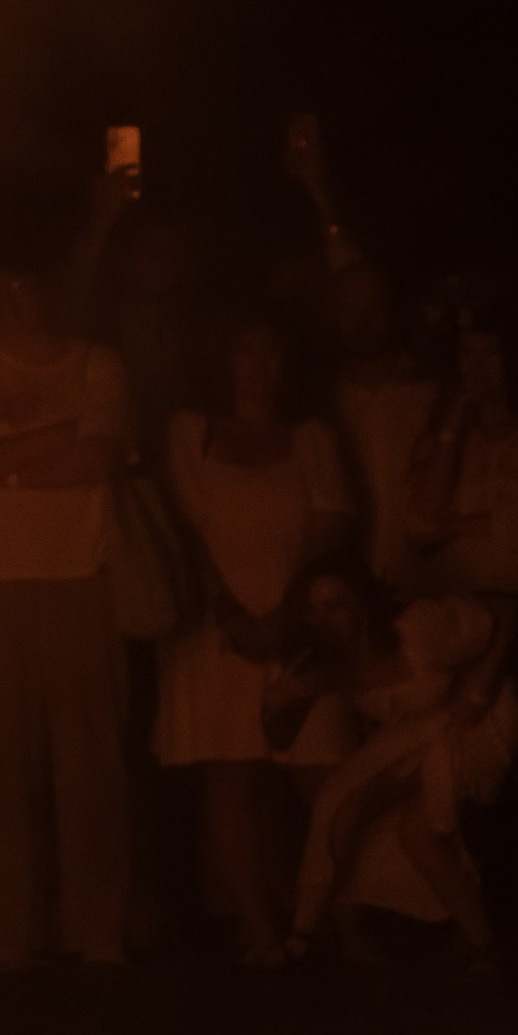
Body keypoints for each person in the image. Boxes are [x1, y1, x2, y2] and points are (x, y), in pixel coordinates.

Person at [0, 248, 137, 971]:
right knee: (4, 767)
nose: (6, 301)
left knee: (89, 763)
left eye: (20, 285)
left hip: (78, 576)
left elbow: (98, 458)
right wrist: (54, 438)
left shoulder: (94, 366)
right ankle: (13, 932)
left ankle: (97, 930)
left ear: (46, 292)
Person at [153, 319, 354, 963]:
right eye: (245, 347)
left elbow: (327, 534)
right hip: (216, 627)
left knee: (319, 771)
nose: (258, 363)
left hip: (297, 624)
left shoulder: (312, 438)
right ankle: (260, 929)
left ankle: (333, 921)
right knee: (233, 768)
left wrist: (282, 619)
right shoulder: (194, 432)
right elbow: (184, 531)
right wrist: (232, 614)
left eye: (271, 349)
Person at [282, 566, 518, 963]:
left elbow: (504, 610)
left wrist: (480, 687)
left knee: (418, 830)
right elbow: (279, 735)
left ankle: (486, 949)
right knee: (342, 801)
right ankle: (305, 932)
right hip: (421, 732)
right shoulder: (328, 664)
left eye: (335, 605)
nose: (323, 618)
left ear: (363, 607)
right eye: (313, 608)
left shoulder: (418, 629)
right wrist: (276, 702)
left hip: (481, 719)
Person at [285, 118, 438, 584]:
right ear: (333, 316)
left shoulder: (432, 393)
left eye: (374, 309)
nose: (363, 323)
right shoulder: (318, 403)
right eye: (350, 312)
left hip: (431, 584)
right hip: (349, 589)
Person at [405, 310, 518, 598]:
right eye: (468, 352)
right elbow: (419, 523)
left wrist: (452, 526)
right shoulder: (439, 441)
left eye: (491, 352)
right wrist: (451, 424)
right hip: (454, 606)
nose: (478, 364)